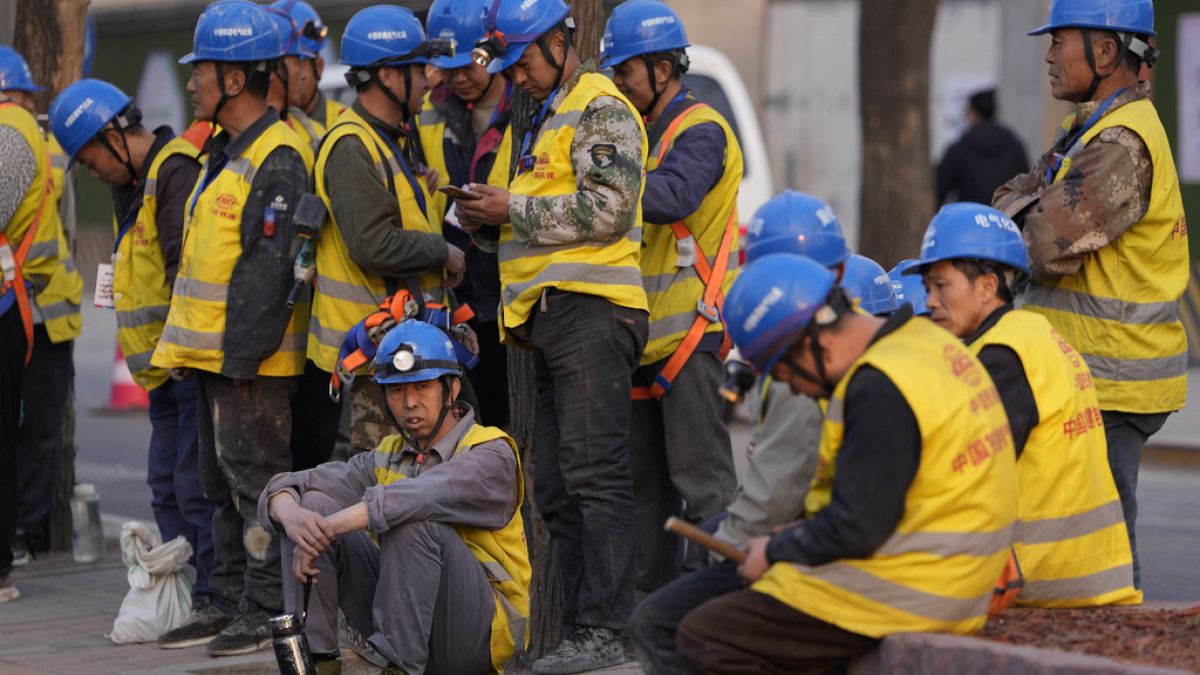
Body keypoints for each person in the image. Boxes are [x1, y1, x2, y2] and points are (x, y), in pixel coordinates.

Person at [675, 253, 1018, 674]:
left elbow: (858, 525)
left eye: (783, 373)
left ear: (815, 343)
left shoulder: (878, 385)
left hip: (919, 586)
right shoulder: (927, 349)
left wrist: (778, 548)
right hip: (957, 573)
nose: (791, 388)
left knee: (701, 633)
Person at [455, 0, 649, 670]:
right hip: (546, 317)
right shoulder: (529, 116)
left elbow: (608, 207)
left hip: (593, 309)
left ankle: (605, 627)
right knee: (557, 484)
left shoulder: (600, 106)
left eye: (527, 61)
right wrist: (484, 214)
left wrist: (512, 207)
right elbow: (525, 207)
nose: (522, 76)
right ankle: (578, 628)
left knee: (595, 476)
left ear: (562, 42)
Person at [993, 0, 1185, 589]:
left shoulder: (1121, 146)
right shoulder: (1086, 128)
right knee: (1068, 531)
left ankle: (1120, 640)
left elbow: (1037, 244)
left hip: (1113, 377)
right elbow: (1008, 198)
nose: (1049, 54)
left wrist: (1017, 216)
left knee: (1101, 539)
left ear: (1106, 51)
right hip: (1085, 370)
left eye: (1060, 40)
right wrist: (1017, 213)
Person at [150, 1, 312, 655]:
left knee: (255, 488)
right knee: (217, 487)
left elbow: (271, 275)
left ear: (237, 79)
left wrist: (239, 361)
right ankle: (223, 596)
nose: (193, 83)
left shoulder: (278, 157)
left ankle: (265, 606)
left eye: (203, 71)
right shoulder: (222, 151)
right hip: (217, 360)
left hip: (253, 365)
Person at [630, 191, 840, 675]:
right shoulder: (817, 346)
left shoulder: (807, 359)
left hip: (811, 551)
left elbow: (773, 499)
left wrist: (743, 545)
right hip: (807, 535)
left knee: (669, 620)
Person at [260, 320, 530, 675]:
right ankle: (314, 663)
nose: (410, 403)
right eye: (397, 391)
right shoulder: (388, 455)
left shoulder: (490, 452)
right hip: (409, 617)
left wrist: (329, 526)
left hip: (475, 634)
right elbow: (292, 484)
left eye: (422, 387)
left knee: (411, 516)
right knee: (311, 507)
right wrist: (293, 516)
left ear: (451, 390)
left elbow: (416, 497)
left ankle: (396, 668)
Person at [906, 202, 1141, 608]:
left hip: (1042, 584)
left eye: (941, 286)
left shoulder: (1002, 358)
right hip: (1087, 577)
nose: (929, 302)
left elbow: (966, 474)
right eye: (927, 288)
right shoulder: (1035, 333)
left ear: (987, 286)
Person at [49, 79, 221, 632]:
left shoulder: (174, 171)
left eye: (92, 158)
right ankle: (187, 595)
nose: (92, 172)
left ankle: (214, 597)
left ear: (113, 135)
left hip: (185, 365)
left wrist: (179, 345)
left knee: (195, 487)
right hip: (160, 374)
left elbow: (182, 269)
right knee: (166, 485)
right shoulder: (133, 183)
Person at [600, 0, 741, 591]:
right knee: (645, 490)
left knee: (703, 480)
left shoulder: (701, 128)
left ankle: (727, 603)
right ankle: (652, 613)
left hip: (690, 336)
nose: (619, 86)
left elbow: (673, 196)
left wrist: (596, 188)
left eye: (626, 73)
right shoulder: (642, 131)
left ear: (662, 68)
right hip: (647, 336)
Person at [309, 5, 465, 456]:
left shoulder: (391, 136)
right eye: (419, 68)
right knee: (377, 489)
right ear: (388, 77)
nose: (430, 79)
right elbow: (373, 244)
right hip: (373, 359)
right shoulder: (352, 144)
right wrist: (443, 253)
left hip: (400, 350)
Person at [0, 46, 84, 565]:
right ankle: (25, 534)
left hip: (31, 305)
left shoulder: (14, 139)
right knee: (35, 433)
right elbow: (70, 228)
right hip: (43, 301)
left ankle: (25, 536)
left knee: (29, 433)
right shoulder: (49, 145)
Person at [416, 0, 515, 428]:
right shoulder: (425, 115)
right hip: (452, 298)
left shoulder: (526, 110)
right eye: (449, 69)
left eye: (468, 66)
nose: (459, 78)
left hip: (511, 295)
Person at [261, 0, 347, 473]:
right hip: (272, 321)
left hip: (321, 318)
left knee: (316, 445)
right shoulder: (253, 131)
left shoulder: (339, 125)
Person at [268, 0, 346, 153]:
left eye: (300, 63)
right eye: (280, 65)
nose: (296, 74)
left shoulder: (342, 121)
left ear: (319, 66)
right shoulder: (262, 125)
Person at [935, 88, 1029, 206]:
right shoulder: (1015, 146)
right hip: (1005, 219)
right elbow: (1027, 187)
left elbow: (938, 191)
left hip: (969, 220)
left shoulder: (959, 148)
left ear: (973, 113)